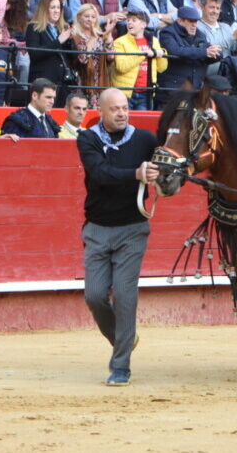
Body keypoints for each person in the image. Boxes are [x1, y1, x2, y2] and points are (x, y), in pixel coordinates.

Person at [76, 87, 159, 387]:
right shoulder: (88, 138)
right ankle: (125, 338)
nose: (122, 113)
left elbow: (166, 165)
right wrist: (136, 174)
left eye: (125, 107)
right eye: (115, 109)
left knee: (124, 295)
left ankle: (120, 365)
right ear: (101, 110)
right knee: (94, 296)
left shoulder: (145, 139)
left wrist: (159, 175)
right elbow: (100, 174)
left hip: (132, 229)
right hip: (97, 229)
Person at [112, 10, 166, 110]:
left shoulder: (154, 41)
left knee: (142, 124)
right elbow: (121, 67)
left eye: (134, 20)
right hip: (125, 93)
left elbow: (161, 68)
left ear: (143, 24)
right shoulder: (119, 42)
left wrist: (161, 54)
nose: (129, 23)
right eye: (128, 20)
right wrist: (145, 54)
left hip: (146, 93)